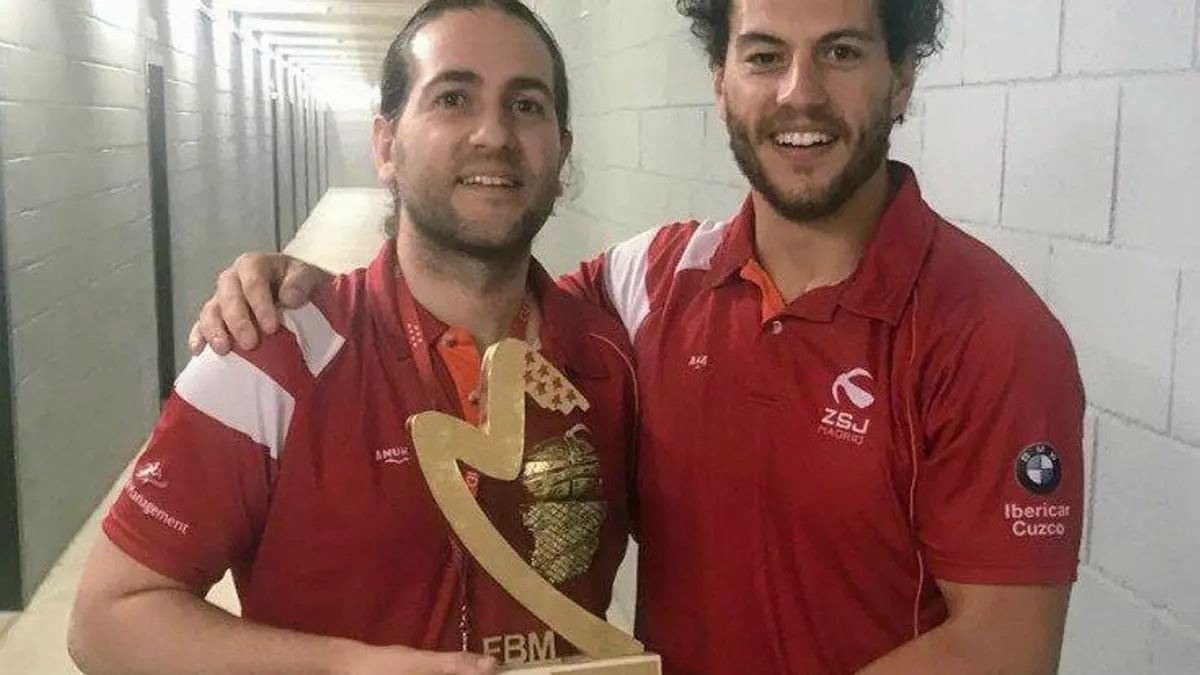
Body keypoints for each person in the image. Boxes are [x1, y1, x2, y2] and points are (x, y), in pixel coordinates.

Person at [191, 0, 1088, 673]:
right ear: (722, 82)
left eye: (842, 52)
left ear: (902, 78)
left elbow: (1003, 648)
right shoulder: (653, 281)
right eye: (764, 55)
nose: (799, 92)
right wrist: (303, 286)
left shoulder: (991, 333)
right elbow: (479, 290)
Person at [68, 2, 641, 674]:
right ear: (385, 145)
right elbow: (105, 621)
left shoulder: (613, 358)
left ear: (562, 152)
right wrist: (349, 668)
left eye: (526, 105)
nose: (493, 133)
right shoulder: (272, 354)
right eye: (452, 98)